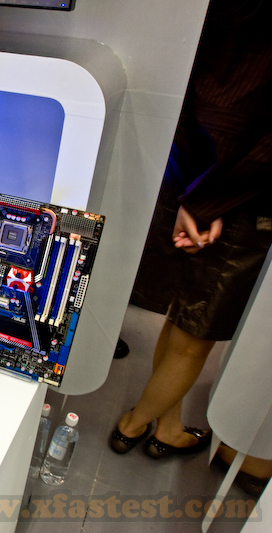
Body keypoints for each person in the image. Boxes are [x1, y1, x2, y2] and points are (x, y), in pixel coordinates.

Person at [110, 0, 272, 459]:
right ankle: (133, 425)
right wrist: (207, 202)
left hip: (188, 180)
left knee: (180, 315)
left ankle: (169, 425)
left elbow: (182, 94)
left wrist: (190, 197)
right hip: (241, 199)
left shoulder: (213, 12)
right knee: (194, 339)